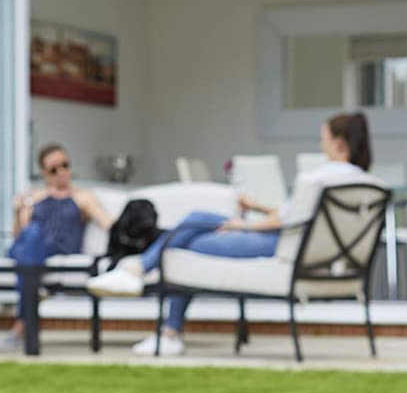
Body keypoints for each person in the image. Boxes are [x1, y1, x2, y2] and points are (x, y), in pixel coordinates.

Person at [86, 112, 380, 357]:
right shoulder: (368, 185)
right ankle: (141, 280)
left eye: (323, 139)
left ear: (339, 143)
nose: (321, 145)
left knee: (186, 238)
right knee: (195, 222)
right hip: (318, 257)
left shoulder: (317, 179)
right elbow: (298, 216)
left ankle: (147, 290)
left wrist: (243, 225)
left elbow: (283, 221)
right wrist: (257, 207)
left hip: (278, 246)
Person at [2, 143, 113, 349]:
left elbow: (108, 223)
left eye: (65, 165)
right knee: (32, 235)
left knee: (31, 246)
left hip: (60, 248)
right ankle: (28, 310)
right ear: (44, 173)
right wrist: (17, 212)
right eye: (54, 169)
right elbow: (19, 234)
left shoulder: (83, 197)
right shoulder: (33, 197)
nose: (62, 172)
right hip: (30, 248)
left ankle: (23, 322)